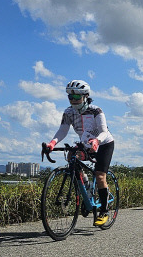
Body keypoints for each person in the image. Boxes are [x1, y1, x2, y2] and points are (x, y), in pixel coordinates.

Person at [45, 80, 115, 227]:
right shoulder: (68, 112)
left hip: (104, 143)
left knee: (100, 175)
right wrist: (52, 143)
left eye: (76, 97)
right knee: (71, 157)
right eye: (70, 97)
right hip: (86, 143)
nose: (73, 100)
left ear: (85, 96)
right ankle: (88, 188)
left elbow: (103, 131)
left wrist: (97, 141)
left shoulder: (96, 110)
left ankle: (104, 211)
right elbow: (62, 130)